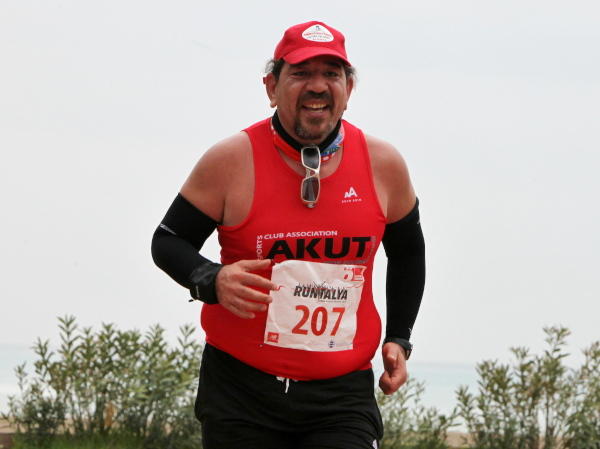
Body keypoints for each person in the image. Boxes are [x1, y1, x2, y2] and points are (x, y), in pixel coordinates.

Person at [151, 21, 425, 449]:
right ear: (271, 87)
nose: (318, 85)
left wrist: (399, 337)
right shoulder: (230, 160)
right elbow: (168, 240)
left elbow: (408, 252)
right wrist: (211, 278)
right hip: (241, 393)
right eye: (301, 73)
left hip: (341, 397)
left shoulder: (383, 164)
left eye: (331, 74)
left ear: (349, 89)